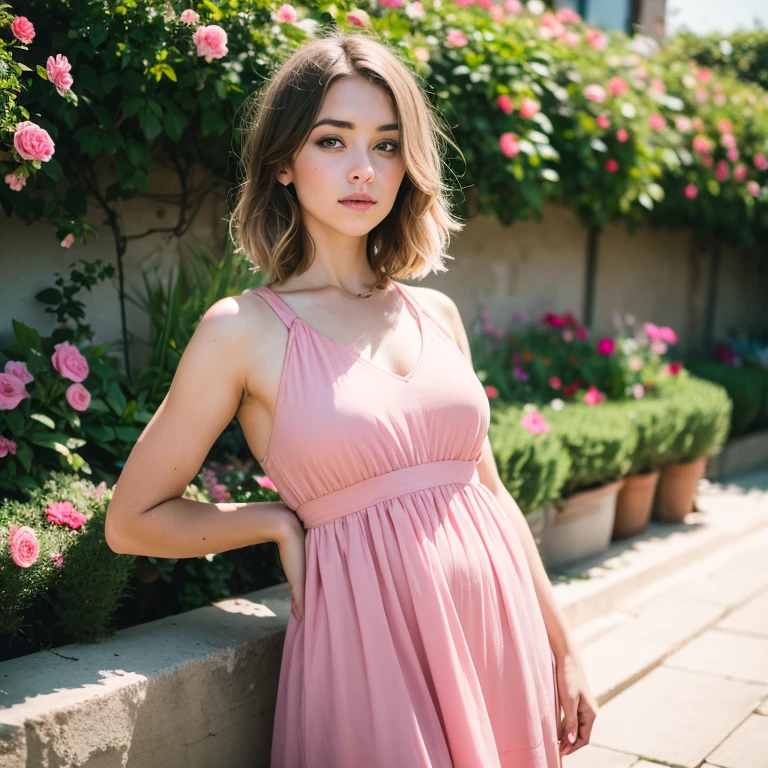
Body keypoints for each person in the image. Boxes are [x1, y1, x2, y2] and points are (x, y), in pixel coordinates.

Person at [106, 26, 597, 768]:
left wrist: (564, 647)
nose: (363, 169)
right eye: (333, 141)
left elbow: (490, 494)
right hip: (372, 659)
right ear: (282, 163)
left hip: (497, 633)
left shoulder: (438, 315)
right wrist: (272, 520)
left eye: (387, 144)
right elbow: (131, 522)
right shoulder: (243, 331)